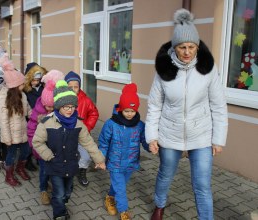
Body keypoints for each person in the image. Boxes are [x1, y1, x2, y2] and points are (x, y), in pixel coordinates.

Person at [145, 9, 228, 220]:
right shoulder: (164, 70)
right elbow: (154, 106)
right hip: (170, 133)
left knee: (202, 185)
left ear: (197, 47)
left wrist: (218, 139)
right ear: (175, 47)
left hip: (201, 135)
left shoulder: (208, 69)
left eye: (192, 47)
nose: (187, 52)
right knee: (165, 175)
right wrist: (152, 137)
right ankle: (159, 205)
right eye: (182, 47)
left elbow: (218, 105)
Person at [32, 80, 106, 220]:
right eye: (66, 106)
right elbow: (37, 141)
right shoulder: (47, 123)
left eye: (72, 106)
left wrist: (99, 159)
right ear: (58, 106)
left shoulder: (78, 123)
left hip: (71, 164)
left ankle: (62, 203)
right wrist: (48, 155)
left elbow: (88, 142)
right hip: (54, 164)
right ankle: (59, 213)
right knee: (59, 193)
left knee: (67, 191)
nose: (69, 109)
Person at [98, 83, 149, 220]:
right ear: (121, 109)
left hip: (131, 163)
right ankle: (124, 212)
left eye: (132, 111)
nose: (129, 114)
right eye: (126, 111)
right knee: (121, 188)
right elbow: (103, 142)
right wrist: (100, 158)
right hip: (115, 162)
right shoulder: (111, 124)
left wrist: (151, 147)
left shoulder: (139, 125)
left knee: (119, 184)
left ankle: (109, 197)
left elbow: (144, 140)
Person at [27, 70, 65, 205]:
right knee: (43, 171)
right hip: (42, 150)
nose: (49, 108)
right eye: (47, 105)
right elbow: (31, 128)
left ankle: (54, 186)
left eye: (52, 106)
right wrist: (33, 145)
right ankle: (43, 189)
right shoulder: (38, 112)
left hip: (56, 149)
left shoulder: (59, 113)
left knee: (54, 170)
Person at [0, 58, 31, 187]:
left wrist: (37, 117)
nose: (24, 86)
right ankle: (8, 175)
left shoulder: (23, 96)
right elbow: (3, 121)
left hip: (22, 130)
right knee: (10, 155)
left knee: (26, 151)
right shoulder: (3, 99)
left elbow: (28, 112)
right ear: (15, 86)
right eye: (22, 84)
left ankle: (20, 168)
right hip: (11, 134)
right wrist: (7, 138)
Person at [64, 71, 99, 187]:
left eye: (76, 87)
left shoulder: (86, 100)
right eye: (70, 87)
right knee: (66, 156)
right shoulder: (62, 100)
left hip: (81, 135)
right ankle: (65, 175)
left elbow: (94, 114)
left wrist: (87, 127)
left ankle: (81, 171)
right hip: (66, 135)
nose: (73, 89)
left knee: (86, 156)